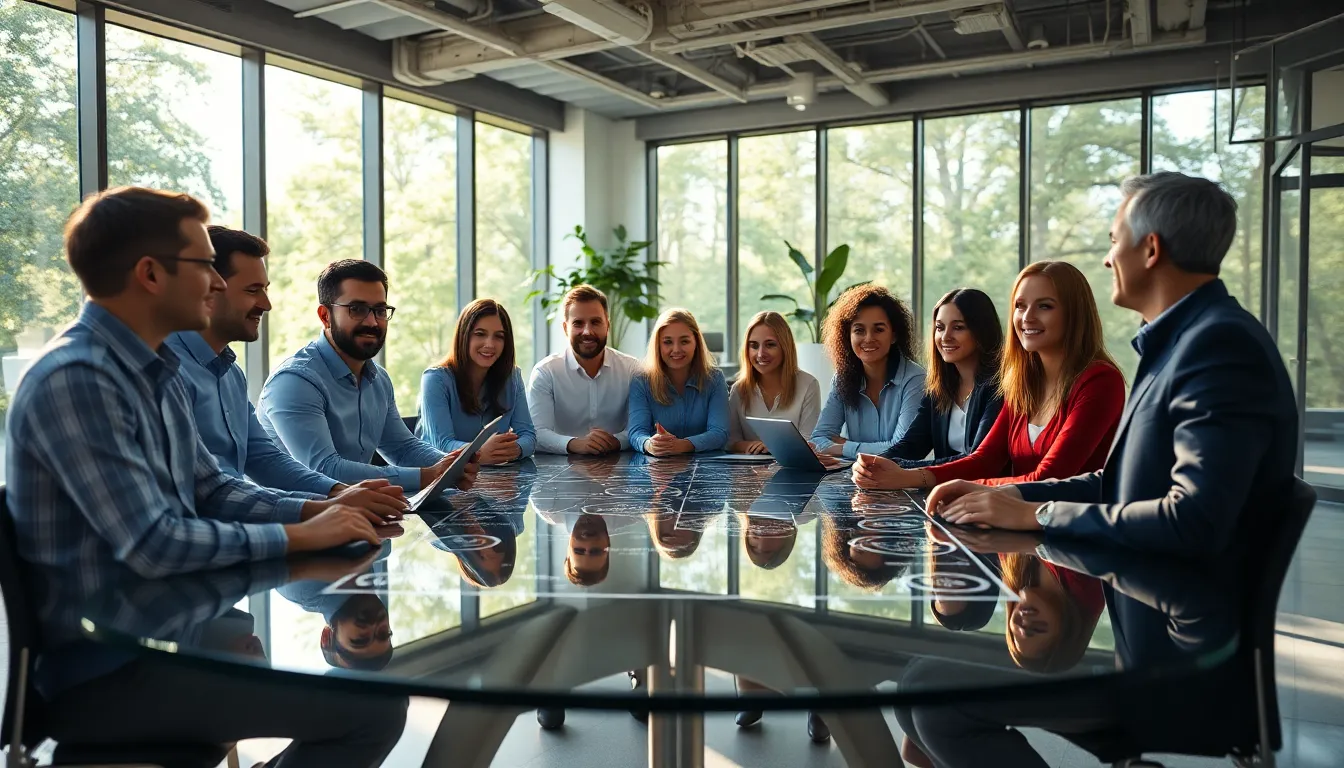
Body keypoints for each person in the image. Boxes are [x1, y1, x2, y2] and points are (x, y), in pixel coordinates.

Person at [4, 187, 413, 766]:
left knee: (362, 700)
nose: (218, 284)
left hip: (168, 635)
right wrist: (302, 534)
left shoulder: (156, 371)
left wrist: (317, 509)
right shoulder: (79, 378)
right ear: (150, 274)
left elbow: (213, 487)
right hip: (107, 670)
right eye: (204, 268)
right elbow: (153, 542)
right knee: (372, 708)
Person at [902, 172, 1300, 766]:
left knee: (930, 693)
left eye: (1114, 239)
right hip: (1144, 626)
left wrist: (1033, 509)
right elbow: (1115, 485)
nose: (1109, 256)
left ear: (1151, 249)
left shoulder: (1218, 349)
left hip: (1179, 663)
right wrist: (1010, 494)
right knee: (919, 691)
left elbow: (1195, 520)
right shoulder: (1181, 345)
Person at [165, 226, 407, 520]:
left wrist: (339, 494)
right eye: (253, 290)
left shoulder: (230, 373)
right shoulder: (163, 370)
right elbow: (210, 492)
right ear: (206, 289)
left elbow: (264, 459)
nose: (266, 304)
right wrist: (325, 507)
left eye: (265, 289)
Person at [852, 261, 1125, 492]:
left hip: (1076, 541)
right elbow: (985, 460)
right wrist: (883, 468)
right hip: (1014, 527)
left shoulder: (1100, 381)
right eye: (1020, 306)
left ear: (1074, 314)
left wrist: (939, 484)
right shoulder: (1022, 382)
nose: (1027, 317)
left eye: (1045, 306)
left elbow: (1049, 478)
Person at [258, 259, 465, 493]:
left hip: (350, 512)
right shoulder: (294, 382)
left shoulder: (379, 379)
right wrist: (426, 476)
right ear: (325, 316)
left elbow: (403, 448)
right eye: (356, 309)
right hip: (291, 522)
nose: (372, 322)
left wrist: (454, 465)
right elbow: (325, 470)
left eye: (379, 310)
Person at [880, 288, 1004, 467]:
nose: (945, 337)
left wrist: (901, 469)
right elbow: (912, 444)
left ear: (981, 331)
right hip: (948, 491)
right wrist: (875, 463)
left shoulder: (999, 386)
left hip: (989, 491)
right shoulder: (939, 388)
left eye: (958, 328)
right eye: (940, 327)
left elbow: (978, 459)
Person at [810, 285, 925, 459]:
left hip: (901, 479)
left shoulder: (915, 379)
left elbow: (902, 449)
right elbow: (818, 439)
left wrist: (844, 447)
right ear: (847, 336)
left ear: (894, 335)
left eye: (879, 329)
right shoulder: (842, 378)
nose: (868, 338)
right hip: (854, 477)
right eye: (859, 330)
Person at [419, 298, 537, 464]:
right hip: (440, 478)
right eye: (480, 334)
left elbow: (529, 436)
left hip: (495, 480)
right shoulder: (435, 379)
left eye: (499, 336)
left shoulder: (512, 377)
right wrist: (479, 452)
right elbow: (441, 444)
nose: (490, 344)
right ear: (464, 336)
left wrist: (514, 449)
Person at [528, 284, 642, 455]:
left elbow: (640, 427)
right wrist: (575, 444)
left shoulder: (632, 370)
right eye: (578, 323)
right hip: (558, 473)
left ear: (607, 326)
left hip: (622, 469)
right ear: (566, 328)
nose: (587, 331)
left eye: (595, 322)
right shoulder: (546, 373)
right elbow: (536, 433)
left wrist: (616, 441)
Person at [627, 308, 729, 456]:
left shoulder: (714, 379)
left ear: (696, 343)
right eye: (667, 342)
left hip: (706, 468)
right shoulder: (641, 381)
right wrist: (650, 444)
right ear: (658, 345)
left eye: (684, 341)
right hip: (657, 470)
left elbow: (720, 433)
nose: (676, 349)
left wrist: (682, 445)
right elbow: (636, 432)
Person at [726, 310, 822, 454]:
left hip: (794, 469)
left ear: (785, 347)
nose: (760, 354)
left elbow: (809, 441)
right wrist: (753, 446)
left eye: (770, 345)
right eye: (754, 346)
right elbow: (730, 442)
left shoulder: (808, 385)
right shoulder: (739, 389)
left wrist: (772, 447)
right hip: (748, 471)